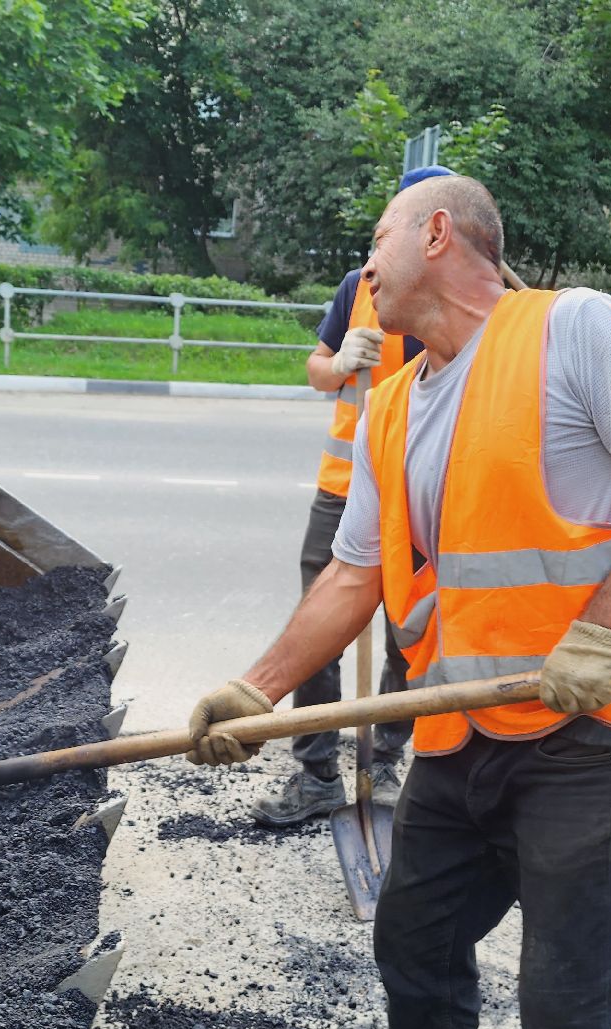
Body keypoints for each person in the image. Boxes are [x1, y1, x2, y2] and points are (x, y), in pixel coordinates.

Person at [182, 176, 611, 1029]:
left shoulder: (572, 327)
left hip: (586, 735)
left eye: (379, 235)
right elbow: (354, 571)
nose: (365, 261)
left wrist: (598, 633)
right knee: (415, 949)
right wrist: (257, 688)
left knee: (572, 1009)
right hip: (459, 734)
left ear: (438, 234)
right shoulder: (392, 406)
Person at [256, 164, 455, 827]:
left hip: (422, 493)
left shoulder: (454, 298)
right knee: (318, 625)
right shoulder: (357, 287)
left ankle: (388, 761)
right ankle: (316, 773)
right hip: (343, 487)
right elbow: (315, 370)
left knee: (409, 633)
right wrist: (340, 363)